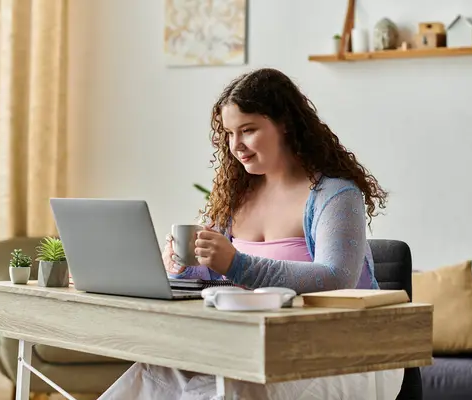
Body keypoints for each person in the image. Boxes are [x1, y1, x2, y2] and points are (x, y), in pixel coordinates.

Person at [98, 68, 403, 400]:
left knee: (235, 391)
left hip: (349, 350)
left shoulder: (335, 194)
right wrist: (183, 262)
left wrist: (237, 263)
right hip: (259, 345)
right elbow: (215, 268)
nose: (236, 145)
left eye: (248, 130)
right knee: (152, 373)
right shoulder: (238, 195)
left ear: (284, 124)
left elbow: (337, 275)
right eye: (229, 133)